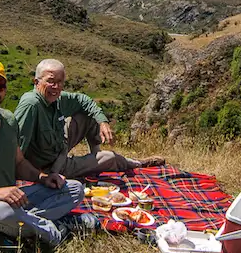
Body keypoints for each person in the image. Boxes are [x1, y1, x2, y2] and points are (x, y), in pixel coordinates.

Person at [0, 59, 87, 247]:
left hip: (12, 199)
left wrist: (43, 178)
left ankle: (20, 226)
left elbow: (19, 163)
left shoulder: (9, 120)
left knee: (74, 188)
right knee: (4, 212)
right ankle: (53, 233)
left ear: (4, 89)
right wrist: (0, 193)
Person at [14, 58, 164, 179]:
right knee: (110, 158)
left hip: (58, 145)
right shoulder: (32, 104)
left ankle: (94, 155)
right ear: (36, 82)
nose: (56, 86)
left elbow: (83, 100)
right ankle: (136, 163)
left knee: (88, 113)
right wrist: (38, 177)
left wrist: (102, 122)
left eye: (60, 82)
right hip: (51, 165)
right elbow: (16, 146)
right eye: (51, 81)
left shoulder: (56, 99)